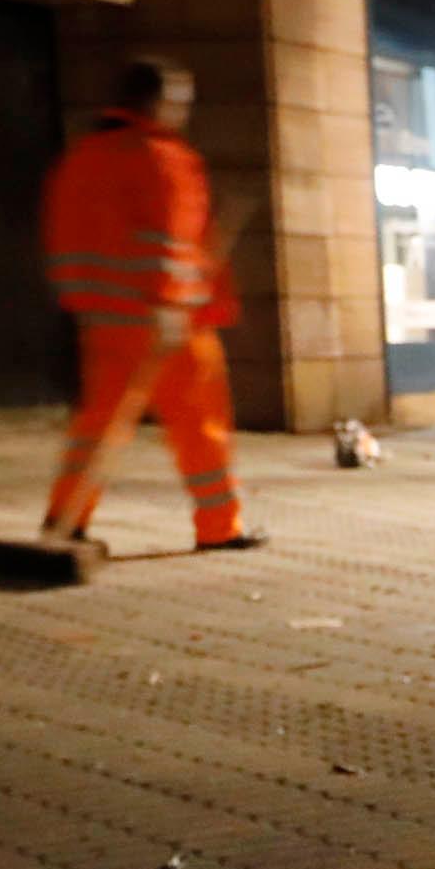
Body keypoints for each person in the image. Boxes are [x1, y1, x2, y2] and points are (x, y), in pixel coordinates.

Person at [37, 58, 260, 552]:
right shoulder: (162, 158)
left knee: (99, 427)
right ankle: (219, 526)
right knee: (201, 425)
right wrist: (169, 303)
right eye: (179, 102)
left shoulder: (82, 158)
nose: (183, 112)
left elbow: (66, 238)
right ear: (158, 102)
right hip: (169, 320)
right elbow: (168, 241)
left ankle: (64, 520)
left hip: (104, 320)